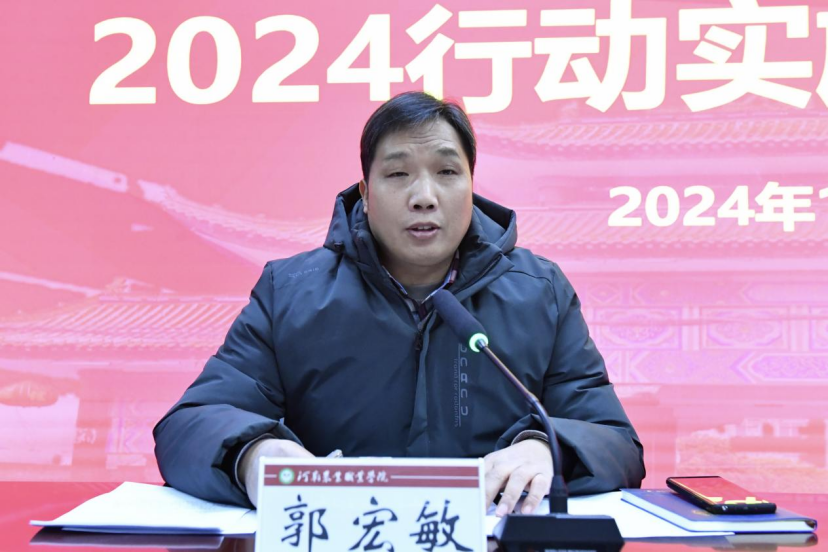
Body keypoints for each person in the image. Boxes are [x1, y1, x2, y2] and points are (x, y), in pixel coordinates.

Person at [153, 91, 645, 517]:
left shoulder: (539, 291)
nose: (424, 197)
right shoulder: (291, 292)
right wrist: (253, 455)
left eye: (447, 172)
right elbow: (191, 424)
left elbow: (615, 442)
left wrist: (547, 449)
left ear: (472, 187)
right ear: (365, 194)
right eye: (397, 174)